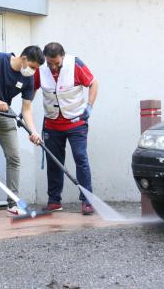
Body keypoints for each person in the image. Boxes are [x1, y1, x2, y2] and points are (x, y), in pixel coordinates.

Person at [0, 46, 45, 219]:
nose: (33, 71)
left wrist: (34, 132)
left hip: (5, 115)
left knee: (14, 157)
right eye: (33, 66)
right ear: (24, 58)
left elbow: (26, 109)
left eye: (36, 69)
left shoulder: (29, 78)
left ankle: (13, 203)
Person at [34, 42, 99, 215]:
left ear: (63, 56)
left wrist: (89, 107)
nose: (53, 67)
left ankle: (87, 201)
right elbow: (30, 90)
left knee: (80, 158)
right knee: (54, 162)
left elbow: (93, 83)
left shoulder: (75, 64)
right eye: (50, 63)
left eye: (57, 63)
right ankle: (54, 201)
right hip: (51, 124)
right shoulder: (40, 69)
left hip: (76, 122)